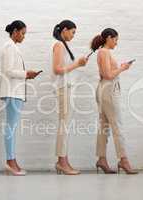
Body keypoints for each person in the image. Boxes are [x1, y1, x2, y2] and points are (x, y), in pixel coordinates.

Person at [91, 28, 138, 174]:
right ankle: (123, 160)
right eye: (116, 39)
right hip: (109, 90)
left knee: (104, 126)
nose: (116, 43)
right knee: (117, 125)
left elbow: (106, 73)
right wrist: (123, 68)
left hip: (105, 89)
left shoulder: (103, 52)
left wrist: (119, 68)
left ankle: (102, 159)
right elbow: (107, 75)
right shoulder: (104, 52)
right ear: (109, 38)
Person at [0, 20, 39, 176]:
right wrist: (26, 74)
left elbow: (13, 71)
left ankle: (12, 160)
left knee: (12, 127)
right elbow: (8, 71)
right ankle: (10, 161)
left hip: (15, 91)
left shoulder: (13, 47)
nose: (23, 37)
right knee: (11, 127)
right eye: (22, 33)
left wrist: (26, 75)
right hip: (12, 92)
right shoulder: (9, 47)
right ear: (15, 31)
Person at [51, 20, 88, 175]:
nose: (73, 35)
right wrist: (77, 64)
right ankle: (62, 161)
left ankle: (63, 160)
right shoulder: (59, 45)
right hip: (63, 88)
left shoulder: (64, 45)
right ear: (64, 30)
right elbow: (58, 69)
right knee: (64, 125)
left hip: (66, 88)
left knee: (65, 124)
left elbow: (65, 69)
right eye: (73, 32)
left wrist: (79, 64)